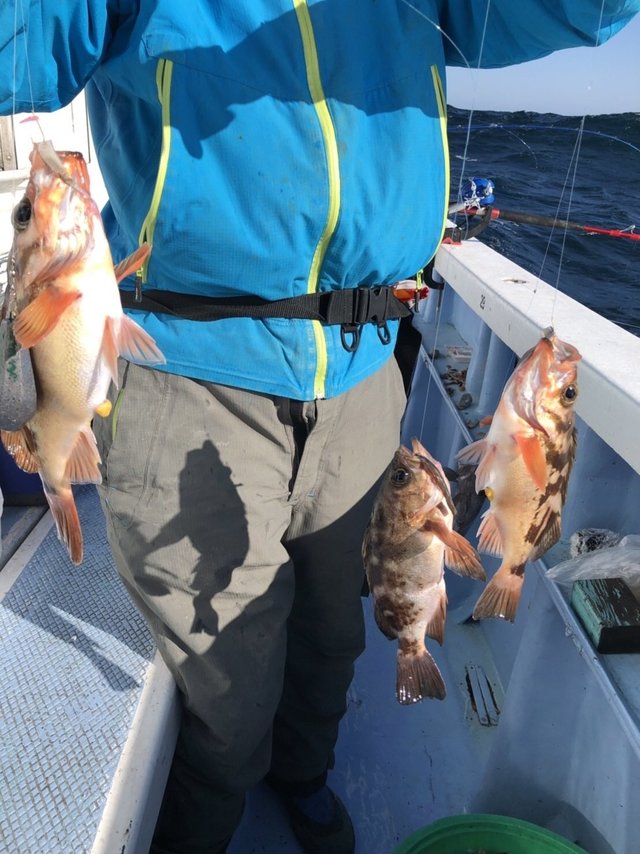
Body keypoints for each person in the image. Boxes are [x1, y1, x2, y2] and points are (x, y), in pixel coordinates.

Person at [1, 3, 638, 852]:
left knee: (338, 630)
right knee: (228, 679)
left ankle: (303, 777)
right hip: (194, 369)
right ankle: (207, 820)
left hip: (365, 365)